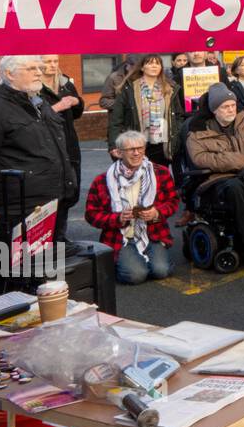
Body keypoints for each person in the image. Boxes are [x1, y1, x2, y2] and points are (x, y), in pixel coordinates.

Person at [0, 56, 77, 253]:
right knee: (15, 270)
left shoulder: (37, 101)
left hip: (49, 202)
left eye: (39, 67)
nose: (38, 72)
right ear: (10, 74)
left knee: (42, 270)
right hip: (18, 208)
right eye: (31, 68)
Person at [186, 83, 244, 263]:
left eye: (233, 105)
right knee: (234, 188)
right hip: (218, 179)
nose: (231, 110)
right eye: (225, 107)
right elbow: (200, 159)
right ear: (214, 110)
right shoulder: (198, 130)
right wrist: (242, 160)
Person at [84, 130, 178, 285]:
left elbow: (173, 201)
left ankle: (142, 257)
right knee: (136, 275)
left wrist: (157, 213)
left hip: (152, 233)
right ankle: (121, 261)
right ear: (119, 153)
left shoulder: (160, 173)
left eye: (140, 148)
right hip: (121, 237)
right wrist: (117, 218)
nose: (136, 153)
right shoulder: (102, 180)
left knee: (161, 271)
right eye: (130, 150)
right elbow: (91, 214)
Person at [38, 55, 84, 241]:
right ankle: (48, 237)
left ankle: (61, 235)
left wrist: (77, 102)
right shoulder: (33, 87)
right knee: (51, 195)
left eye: (54, 62)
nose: (51, 65)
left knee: (69, 191)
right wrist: (57, 107)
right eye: (47, 62)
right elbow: (32, 117)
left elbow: (78, 113)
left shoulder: (65, 83)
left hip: (69, 145)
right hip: (48, 146)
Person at [107, 54, 182, 167]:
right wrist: (113, 145)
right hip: (138, 143)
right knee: (140, 178)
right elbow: (116, 120)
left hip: (162, 143)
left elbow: (178, 115)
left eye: (157, 63)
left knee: (160, 177)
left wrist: (176, 136)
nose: (154, 66)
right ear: (142, 67)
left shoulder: (169, 89)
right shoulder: (129, 89)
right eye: (150, 63)